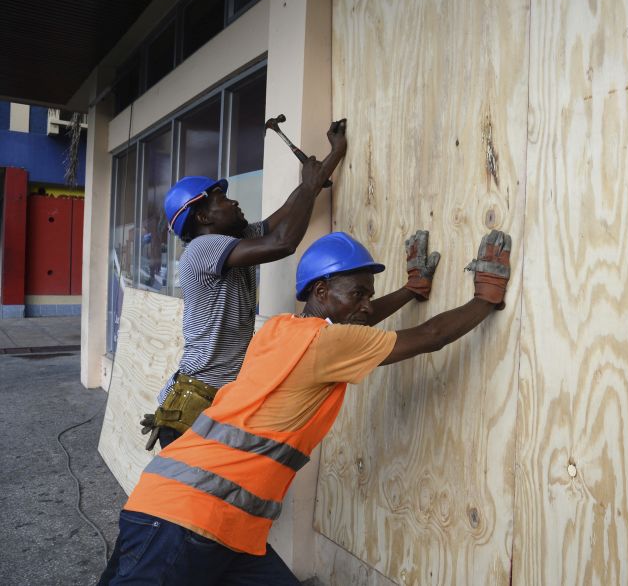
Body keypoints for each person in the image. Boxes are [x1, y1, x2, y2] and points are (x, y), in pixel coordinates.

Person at [98, 229, 512, 585]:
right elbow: (432, 334)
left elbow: (360, 323)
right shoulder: (326, 344)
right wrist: (486, 297)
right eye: (358, 293)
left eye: (369, 294)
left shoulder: (279, 329)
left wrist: (411, 290)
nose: (367, 303)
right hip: (184, 520)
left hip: (215, 521)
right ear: (321, 291)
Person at [140, 120, 351, 450]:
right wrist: (310, 186)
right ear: (203, 218)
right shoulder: (202, 249)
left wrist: (332, 156)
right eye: (221, 199)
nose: (233, 202)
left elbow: (286, 214)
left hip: (219, 398)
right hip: (196, 407)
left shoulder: (236, 240)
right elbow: (282, 242)